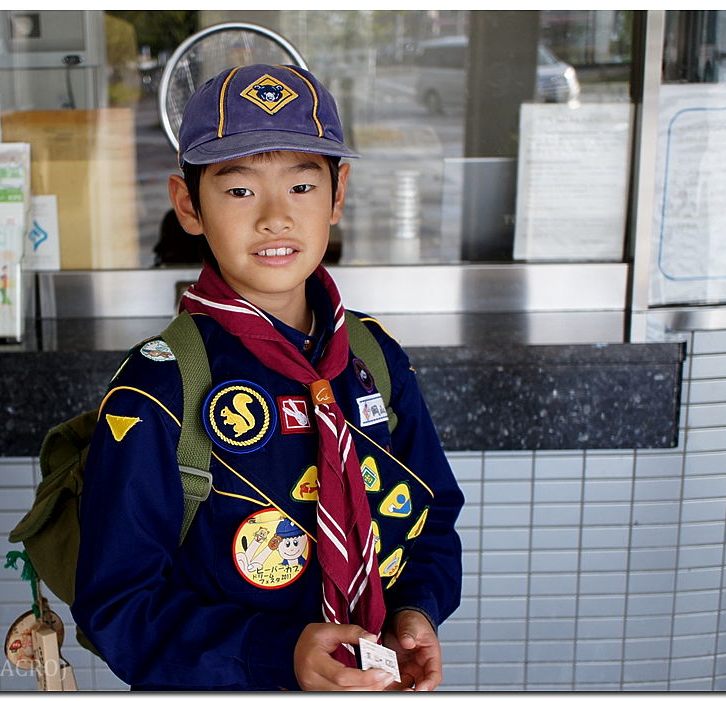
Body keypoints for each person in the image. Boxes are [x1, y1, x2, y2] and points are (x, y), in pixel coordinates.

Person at [72, 63, 463, 691]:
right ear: (187, 205)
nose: (276, 218)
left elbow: (434, 512)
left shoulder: (373, 358)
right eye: (239, 190)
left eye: (303, 187)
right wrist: (275, 653)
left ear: (338, 196)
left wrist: (416, 609)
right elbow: (118, 605)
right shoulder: (162, 389)